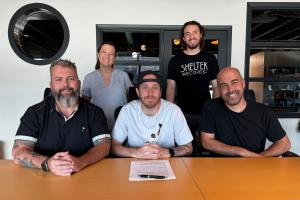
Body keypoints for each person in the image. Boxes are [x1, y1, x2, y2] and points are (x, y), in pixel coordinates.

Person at [12, 59, 111, 176]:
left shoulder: (95, 112)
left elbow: (104, 146)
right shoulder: (34, 113)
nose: (65, 85)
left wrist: (81, 162)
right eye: (58, 79)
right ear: (51, 85)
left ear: (79, 83)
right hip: (43, 178)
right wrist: (47, 163)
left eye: (71, 79)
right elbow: (18, 152)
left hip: (85, 176)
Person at [200, 67, 291, 157]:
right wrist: (240, 151)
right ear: (219, 89)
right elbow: (207, 142)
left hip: (253, 167)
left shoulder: (263, 112)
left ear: (243, 83)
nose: (230, 90)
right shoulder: (211, 107)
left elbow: (284, 143)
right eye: (224, 85)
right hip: (220, 168)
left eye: (234, 82)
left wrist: (259, 158)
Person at [111, 70, 193, 159]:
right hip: (134, 164)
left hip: (167, 164)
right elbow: (114, 147)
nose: (150, 93)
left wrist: (168, 152)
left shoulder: (174, 111)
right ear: (138, 92)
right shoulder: (127, 111)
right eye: (145, 88)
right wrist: (136, 153)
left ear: (160, 92)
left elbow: (188, 148)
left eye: (155, 88)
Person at [166, 20, 220, 152]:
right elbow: (171, 87)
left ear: (201, 35)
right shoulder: (175, 60)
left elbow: (216, 86)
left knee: (206, 149)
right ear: (183, 38)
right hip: (183, 113)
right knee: (185, 149)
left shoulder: (210, 59)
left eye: (195, 32)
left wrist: (214, 109)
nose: (191, 36)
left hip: (206, 112)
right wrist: (169, 111)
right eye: (188, 34)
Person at [82, 42, 132, 130]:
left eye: (111, 54)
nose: (107, 56)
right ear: (98, 54)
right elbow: (85, 105)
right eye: (104, 52)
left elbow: (131, 100)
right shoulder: (89, 77)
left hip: (122, 125)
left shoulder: (124, 76)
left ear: (115, 57)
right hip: (97, 125)